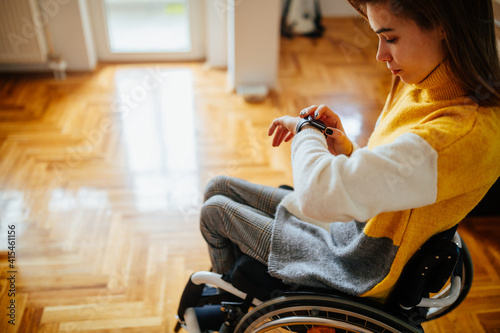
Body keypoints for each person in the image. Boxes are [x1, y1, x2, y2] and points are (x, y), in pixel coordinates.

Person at [200, 0, 500, 301]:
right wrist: (349, 152)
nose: (380, 55)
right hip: (355, 228)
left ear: (443, 26)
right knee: (218, 186)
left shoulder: (460, 134)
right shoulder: (421, 84)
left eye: (391, 38)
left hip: (358, 264)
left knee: (214, 213)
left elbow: (316, 195)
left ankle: (227, 303)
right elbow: (401, 178)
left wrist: (307, 131)